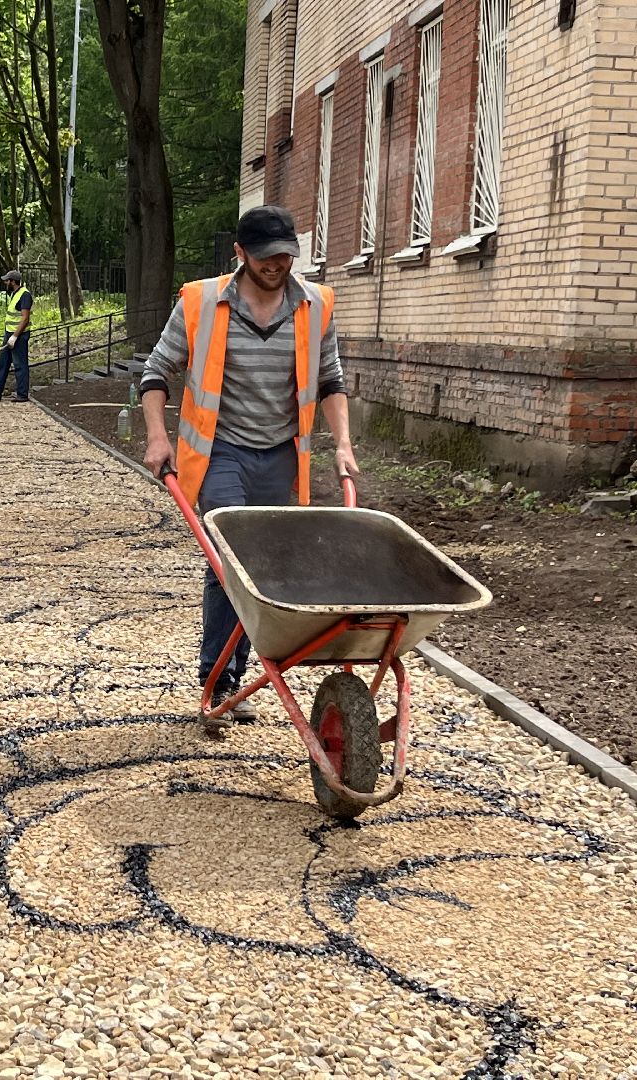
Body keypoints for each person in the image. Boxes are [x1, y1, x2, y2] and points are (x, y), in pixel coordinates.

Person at [139, 204, 359, 735]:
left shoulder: (315, 305)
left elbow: (330, 380)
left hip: (281, 455)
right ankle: (221, 682)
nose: (277, 265)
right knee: (229, 564)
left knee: (266, 566)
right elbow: (156, 371)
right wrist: (157, 436)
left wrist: (345, 444)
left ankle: (253, 668)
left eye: (285, 255)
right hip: (220, 454)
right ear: (239, 254)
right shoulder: (202, 302)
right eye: (265, 257)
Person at [0, 269, 33, 402]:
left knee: (20, 364)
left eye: (7, 280)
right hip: (9, 333)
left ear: (13, 281)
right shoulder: (14, 294)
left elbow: (25, 318)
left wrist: (15, 336)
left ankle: (22, 394)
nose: (5, 283)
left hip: (19, 335)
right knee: (2, 363)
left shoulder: (24, 295)